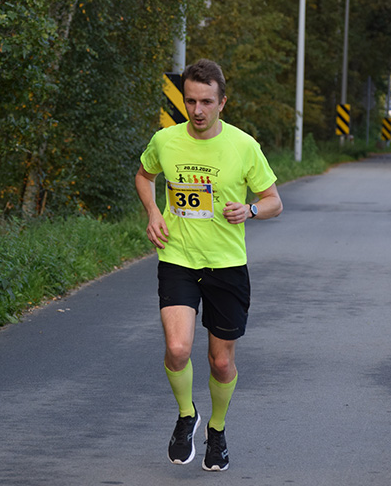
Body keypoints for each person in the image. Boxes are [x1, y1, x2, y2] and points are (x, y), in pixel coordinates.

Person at [134, 59, 283, 472]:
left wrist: (251, 209)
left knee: (220, 361)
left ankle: (216, 429)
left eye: (205, 102)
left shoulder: (243, 146)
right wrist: (152, 212)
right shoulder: (165, 140)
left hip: (227, 264)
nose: (197, 111)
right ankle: (186, 416)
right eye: (190, 101)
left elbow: (275, 201)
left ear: (222, 103)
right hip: (178, 258)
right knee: (178, 349)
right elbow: (144, 176)